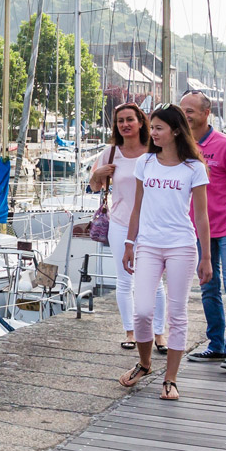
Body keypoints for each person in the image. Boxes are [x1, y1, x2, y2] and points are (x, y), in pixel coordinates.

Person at [117, 103, 212, 401]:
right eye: (152, 128)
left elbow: (201, 217)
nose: (153, 133)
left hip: (181, 245)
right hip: (147, 243)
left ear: (174, 131)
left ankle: (170, 379)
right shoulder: (145, 163)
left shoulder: (194, 168)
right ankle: (144, 364)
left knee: (177, 314)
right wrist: (129, 244)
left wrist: (206, 257)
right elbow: (138, 206)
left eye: (158, 128)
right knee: (143, 310)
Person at [178, 90, 226, 372]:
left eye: (191, 110)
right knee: (208, 286)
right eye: (182, 109)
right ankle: (216, 344)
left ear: (206, 113)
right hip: (198, 231)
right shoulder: (181, 146)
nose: (186, 115)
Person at [88, 102, 164, 353]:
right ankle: (130, 332)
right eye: (120, 121)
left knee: (156, 282)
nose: (125, 124)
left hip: (151, 223)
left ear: (141, 122)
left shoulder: (154, 151)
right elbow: (95, 187)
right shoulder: (110, 153)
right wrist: (98, 173)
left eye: (130, 119)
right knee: (124, 280)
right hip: (120, 223)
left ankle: (159, 334)